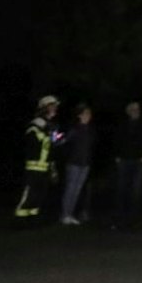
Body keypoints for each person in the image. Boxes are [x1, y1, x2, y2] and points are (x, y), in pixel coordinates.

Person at [15, 95, 57, 225]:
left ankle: (32, 220)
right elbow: (32, 142)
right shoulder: (36, 124)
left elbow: (53, 147)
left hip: (45, 167)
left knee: (39, 197)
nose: (55, 108)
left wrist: (53, 169)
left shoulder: (52, 126)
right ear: (44, 107)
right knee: (29, 196)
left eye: (55, 106)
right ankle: (19, 221)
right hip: (33, 167)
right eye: (52, 105)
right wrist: (47, 137)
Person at [114, 100, 142, 228]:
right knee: (122, 189)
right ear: (128, 111)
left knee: (136, 190)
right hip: (124, 160)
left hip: (139, 161)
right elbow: (117, 140)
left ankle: (134, 219)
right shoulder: (123, 124)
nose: (135, 111)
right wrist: (117, 156)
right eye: (133, 109)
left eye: (137, 109)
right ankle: (121, 217)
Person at [59, 102, 95, 226]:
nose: (88, 115)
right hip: (74, 163)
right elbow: (61, 140)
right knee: (70, 189)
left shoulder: (90, 130)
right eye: (86, 113)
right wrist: (54, 136)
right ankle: (64, 215)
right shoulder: (74, 128)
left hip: (85, 164)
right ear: (80, 115)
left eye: (89, 113)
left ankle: (70, 215)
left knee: (77, 190)